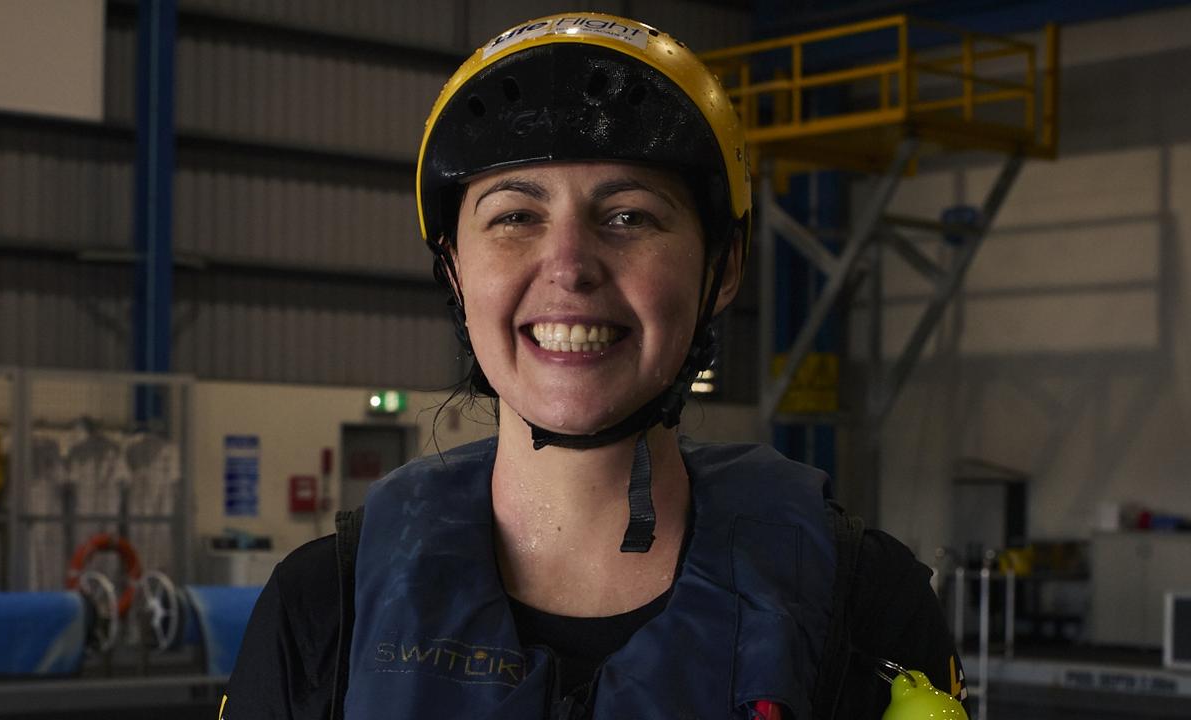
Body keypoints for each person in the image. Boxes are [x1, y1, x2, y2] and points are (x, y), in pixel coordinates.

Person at [222, 11, 965, 720]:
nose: (569, 268)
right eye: (515, 216)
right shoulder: (323, 610)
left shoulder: (865, 606)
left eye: (629, 216)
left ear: (724, 266)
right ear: (453, 271)